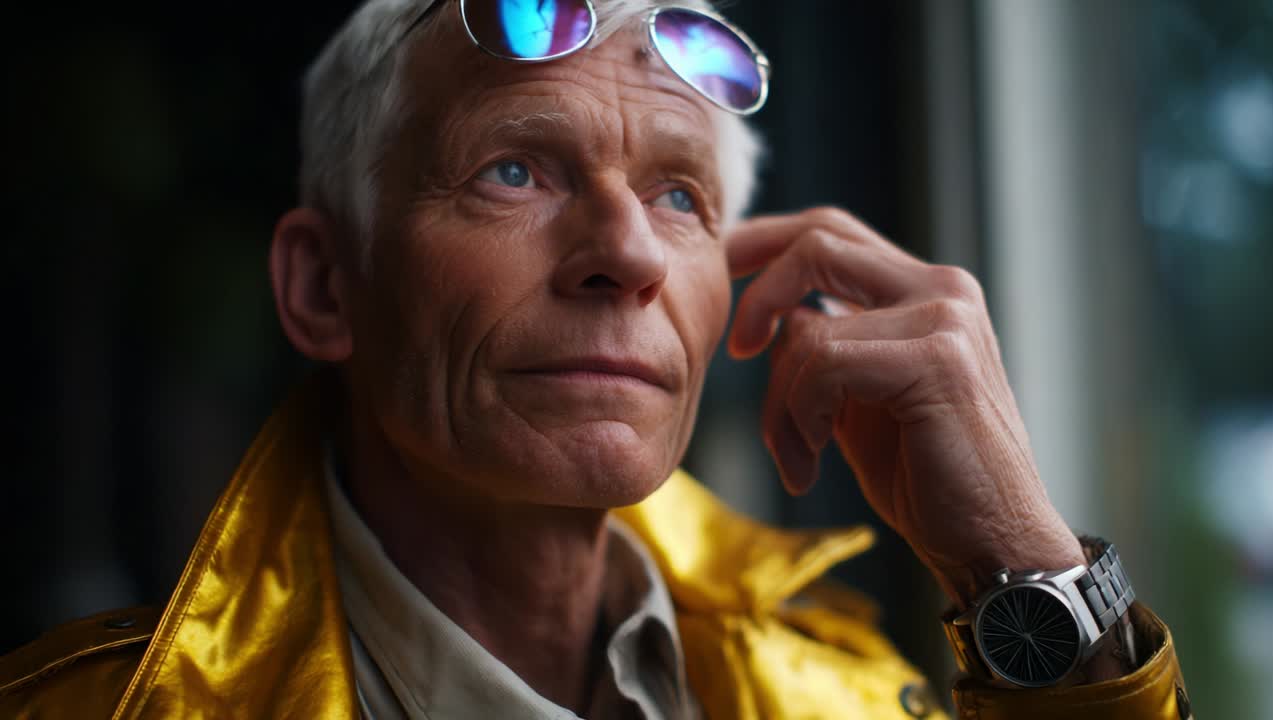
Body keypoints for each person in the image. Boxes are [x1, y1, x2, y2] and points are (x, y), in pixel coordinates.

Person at [0, 0, 1192, 718]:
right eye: (513, 169)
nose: (624, 251)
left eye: (679, 194)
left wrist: (1029, 580)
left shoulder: (846, 689)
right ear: (324, 286)